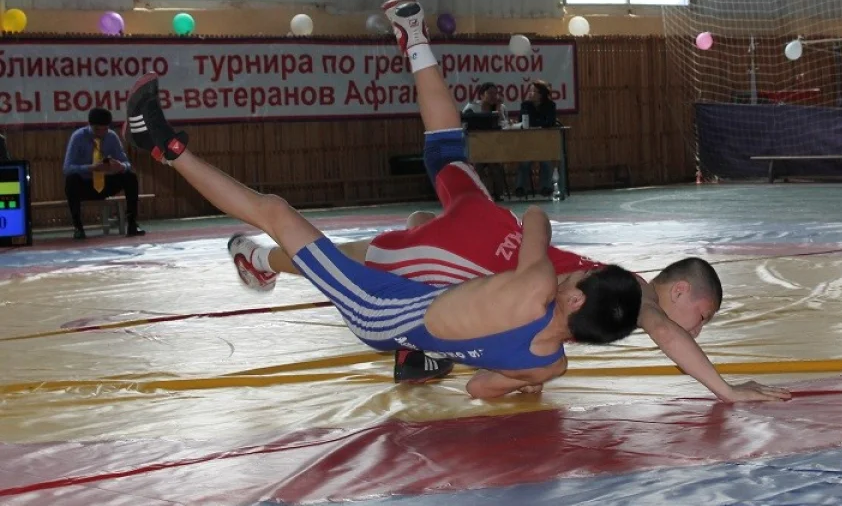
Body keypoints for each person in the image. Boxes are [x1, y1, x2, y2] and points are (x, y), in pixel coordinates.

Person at [229, 0, 792, 403]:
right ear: (677, 290)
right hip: (455, 257)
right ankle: (261, 257)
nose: (698, 328)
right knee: (341, 266)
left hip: (487, 221)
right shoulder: (637, 299)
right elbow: (669, 334)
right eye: (703, 315)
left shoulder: (613, 283)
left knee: (446, 151)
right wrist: (727, 392)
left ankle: (415, 37)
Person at [123, 67, 643, 398]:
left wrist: (540, 261)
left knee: (278, 213)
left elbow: (533, 215)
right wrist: (520, 383)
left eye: (577, 278)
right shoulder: (550, 367)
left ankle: (165, 148)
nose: (572, 270)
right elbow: (481, 390)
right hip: (408, 313)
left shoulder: (535, 286)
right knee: (423, 235)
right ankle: (415, 352)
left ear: (573, 302)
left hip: (376, 306)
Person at [62, 107, 145, 239]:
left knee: (130, 177)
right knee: (71, 180)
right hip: (86, 185)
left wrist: (120, 167)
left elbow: (127, 164)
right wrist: (91, 168)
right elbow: (67, 168)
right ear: (90, 126)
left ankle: (132, 224)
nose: (101, 133)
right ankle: (78, 227)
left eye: (105, 129)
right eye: (97, 130)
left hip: (106, 183)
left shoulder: (111, 136)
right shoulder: (78, 137)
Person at [460, 81, 510, 200]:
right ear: (482, 95)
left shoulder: (501, 107)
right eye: (490, 93)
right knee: (478, 165)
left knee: (495, 165)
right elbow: (464, 125)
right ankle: (479, 195)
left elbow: (505, 124)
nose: (493, 96)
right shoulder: (472, 107)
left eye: (495, 93)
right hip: (475, 146)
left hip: (494, 146)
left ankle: (499, 194)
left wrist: (498, 109)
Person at [514, 80, 558, 198]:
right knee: (524, 162)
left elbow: (549, 122)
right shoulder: (525, 105)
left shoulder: (550, 105)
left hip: (544, 142)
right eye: (530, 90)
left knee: (546, 161)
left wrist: (536, 123)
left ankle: (546, 188)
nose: (530, 93)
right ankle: (521, 188)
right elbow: (523, 121)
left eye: (534, 91)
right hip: (528, 142)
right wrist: (538, 123)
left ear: (541, 94)